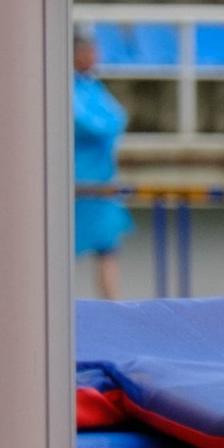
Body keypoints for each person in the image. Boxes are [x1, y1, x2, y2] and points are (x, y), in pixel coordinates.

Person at [73, 24, 132, 301]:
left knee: (108, 245)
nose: (95, 55)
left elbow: (117, 117)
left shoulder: (91, 84)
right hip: (76, 179)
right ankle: (53, 310)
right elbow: (90, 125)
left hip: (102, 176)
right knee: (60, 247)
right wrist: (106, 125)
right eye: (89, 49)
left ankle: (112, 304)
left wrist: (107, 125)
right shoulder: (63, 87)